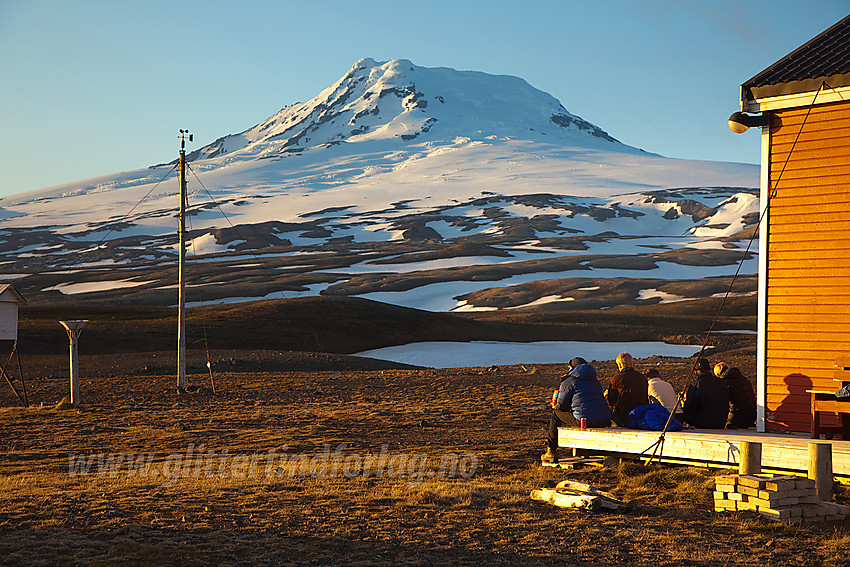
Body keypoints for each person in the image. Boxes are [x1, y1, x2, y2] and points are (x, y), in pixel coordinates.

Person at [542, 360, 610, 463]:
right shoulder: (595, 381)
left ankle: (551, 451)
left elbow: (562, 407)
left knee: (556, 415)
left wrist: (556, 405)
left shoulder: (569, 381)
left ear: (571, 368)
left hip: (585, 421)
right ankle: (584, 451)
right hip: (604, 419)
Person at [681, 358, 729, 429]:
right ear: (709, 370)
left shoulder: (695, 385)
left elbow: (690, 407)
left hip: (703, 423)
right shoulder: (721, 382)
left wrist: (683, 402)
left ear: (696, 372)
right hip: (720, 422)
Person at [605, 352, 649, 427]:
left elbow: (612, 401)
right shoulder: (642, 377)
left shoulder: (617, 378)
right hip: (642, 414)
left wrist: (606, 395)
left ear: (620, 365)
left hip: (625, 416)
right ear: (631, 363)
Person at [714, 362, 756, 429]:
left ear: (718, 374)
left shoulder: (725, 382)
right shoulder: (743, 379)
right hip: (751, 418)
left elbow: (721, 402)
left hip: (736, 419)